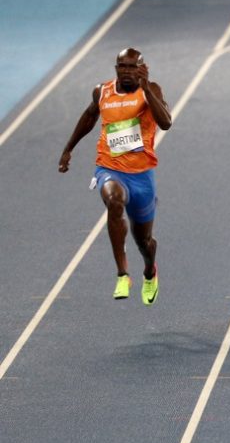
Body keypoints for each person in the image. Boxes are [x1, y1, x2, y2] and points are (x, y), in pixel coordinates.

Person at [59, 48, 172, 304]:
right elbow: (89, 116)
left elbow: (165, 123)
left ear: (143, 69)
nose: (128, 71)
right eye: (123, 66)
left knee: (144, 242)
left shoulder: (151, 89)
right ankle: (122, 274)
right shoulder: (102, 91)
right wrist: (68, 149)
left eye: (134, 67)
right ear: (116, 69)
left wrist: (146, 89)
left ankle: (149, 271)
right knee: (114, 200)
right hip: (109, 168)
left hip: (142, 176)